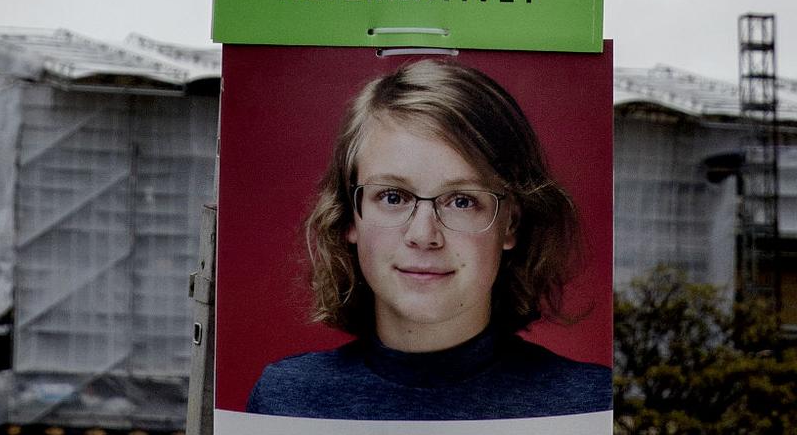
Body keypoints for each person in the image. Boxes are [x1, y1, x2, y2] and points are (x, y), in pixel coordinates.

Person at [247, 59, 611, 423]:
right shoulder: (285, 401)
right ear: (349, 214)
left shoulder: (590, 406)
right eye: (393, 196)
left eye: (462, 201)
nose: (423, 236)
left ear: (510, 223)